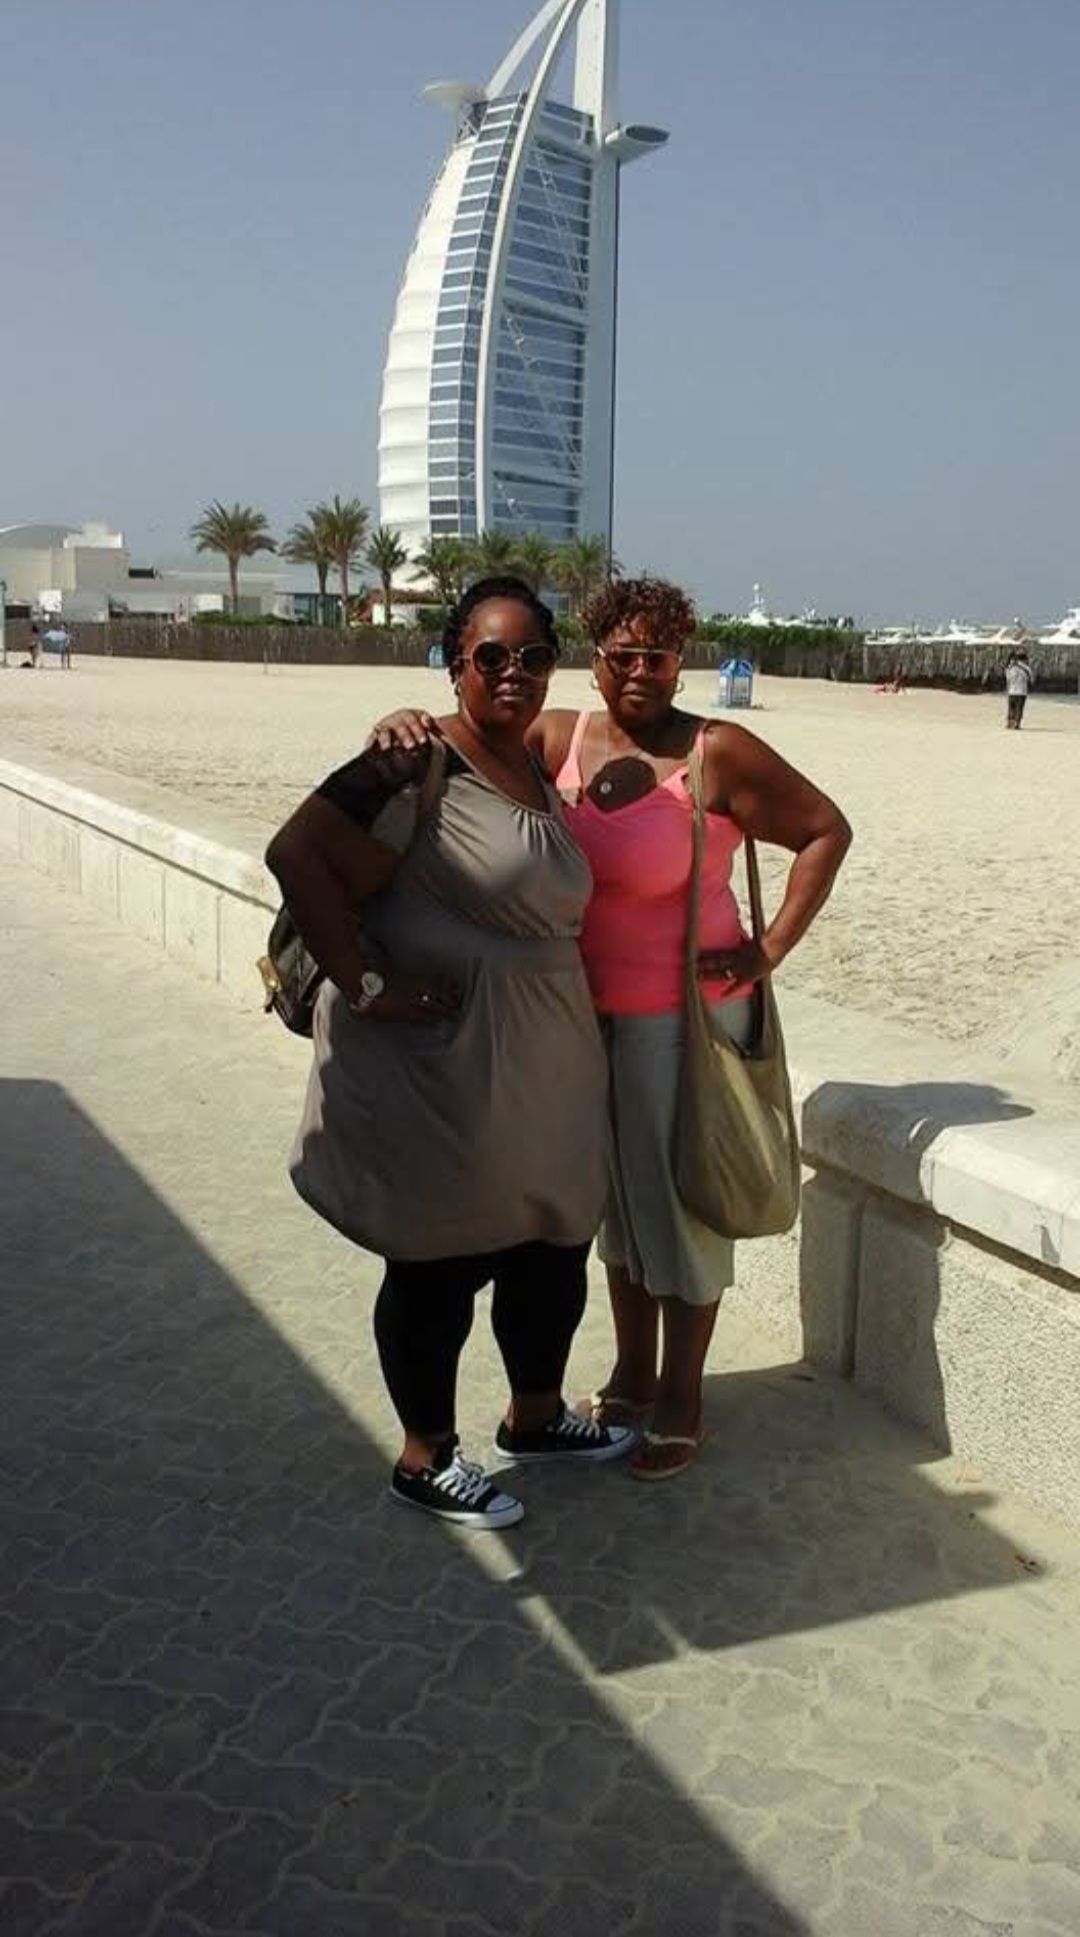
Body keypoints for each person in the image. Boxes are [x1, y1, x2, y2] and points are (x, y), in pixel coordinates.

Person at [370, 576, 852, 1479]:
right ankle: (632, 1376)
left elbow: (826, 830)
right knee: (616, 1214)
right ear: (593, 662)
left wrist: (767, 949)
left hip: (686, 1026)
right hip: (580, 1023)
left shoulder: (718, 752)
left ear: (680, 662)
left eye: (656, 656)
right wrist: (406, 723)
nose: (639, 671)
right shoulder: (559, 738)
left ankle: (683, 1398)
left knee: (680, 1209)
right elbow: (468, 745)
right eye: (622, 654)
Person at [266, 578, 632, 1530]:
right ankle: (424, 1455)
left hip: (546, 1063)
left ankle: (536, 1416)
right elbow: (295, 854)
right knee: (439, 1257)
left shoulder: (531, 763)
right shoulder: (412, 758)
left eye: (533, 655)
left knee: (551, 1243)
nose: (514, 672)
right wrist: (366, 985)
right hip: (445, 1064)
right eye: (491, 656)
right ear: (455, 663)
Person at [1004, 648, 1034, 729]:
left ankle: (1010, 722)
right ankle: (1017, 723)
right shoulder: (1027, 669)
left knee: (1011, 707)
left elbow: (1007, 680)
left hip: (1011, 691)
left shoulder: (1009, 668)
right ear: (1025, 659)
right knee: (1019, 708)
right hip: (1022, 692)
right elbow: (1032, 680)